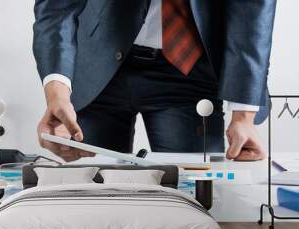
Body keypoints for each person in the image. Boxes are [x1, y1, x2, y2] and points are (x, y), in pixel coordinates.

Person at [33, 0, 276, 162]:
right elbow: (56, 7)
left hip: (188, 67)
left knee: (191, 202)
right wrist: (57, 93)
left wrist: (243, 115)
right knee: (91, 199)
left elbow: (252, 8)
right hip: (98, 64)